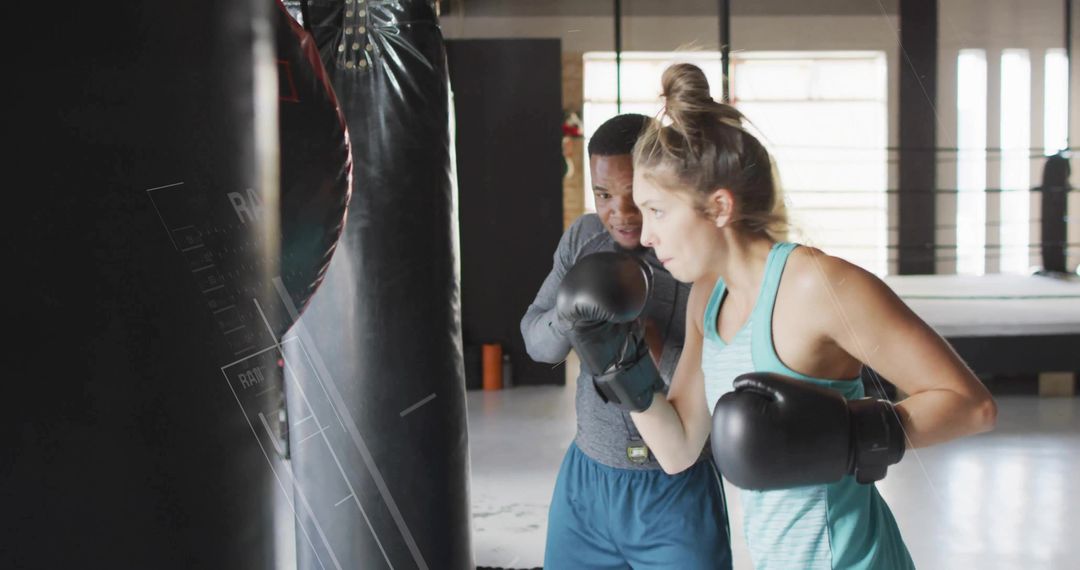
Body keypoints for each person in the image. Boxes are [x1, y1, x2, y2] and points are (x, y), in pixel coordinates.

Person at [619, 63, 999, 569]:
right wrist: (616, 365)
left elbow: (972, 405)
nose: (645, 235)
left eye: (658, 211)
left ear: (719, 206)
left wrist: (844, 439)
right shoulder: (706, 299)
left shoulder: (816, 284)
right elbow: (679, 450)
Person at [521, 113, 732, 569]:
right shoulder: (584, 238)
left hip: (673, 493)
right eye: (603, 195)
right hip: (587, 485)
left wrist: (643, 343)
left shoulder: (694, 259)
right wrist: (574, 314)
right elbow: (538, 343)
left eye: (633, 193)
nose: (620, 212)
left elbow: (711, 385)